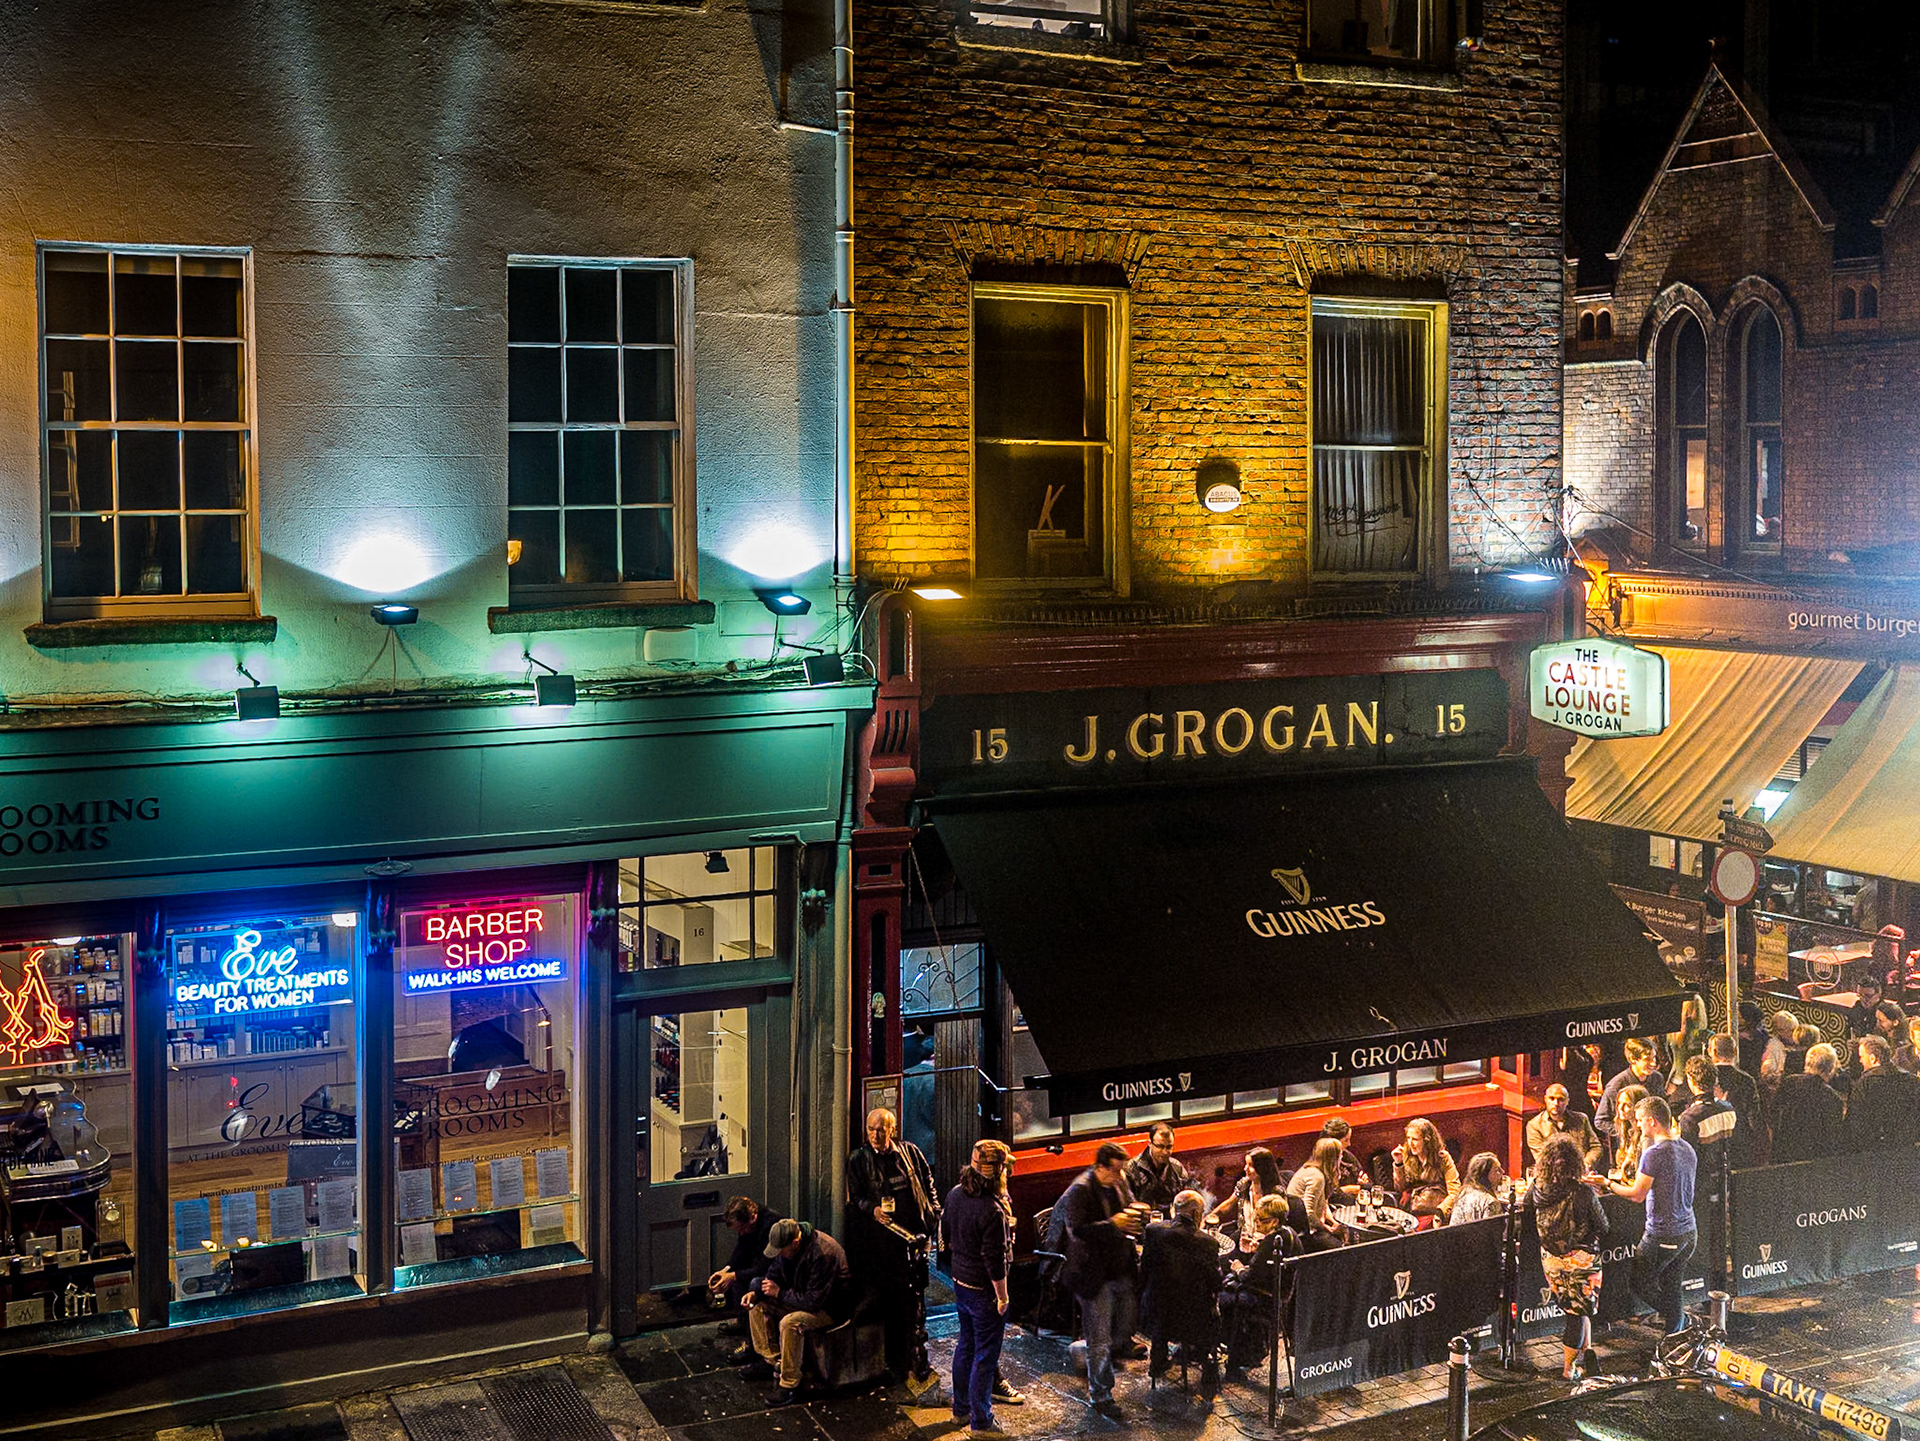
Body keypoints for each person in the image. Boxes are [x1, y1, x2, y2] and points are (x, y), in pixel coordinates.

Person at [846, 1108, 939, 1387]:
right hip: (883, 1244)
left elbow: (928, 1182)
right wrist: (873, 1209)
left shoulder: (910, 1152)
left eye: (881, 1129)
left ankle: (916, 1360)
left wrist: (933, 1211)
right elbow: (856, 1197)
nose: (875, 1135)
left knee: (916, 1303)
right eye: (871, 1129)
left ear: (893, 1130)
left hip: (914, 1238)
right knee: (890, 1303)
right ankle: (896, 1361)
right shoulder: (859, 1159)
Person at [1593, 1095, 1696, 1336]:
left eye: (1639, 1120)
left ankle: (1678, 1319)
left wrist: (1607, 1183)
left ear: (1651, 1121)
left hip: (1663, 1234)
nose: (1637, 1125)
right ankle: (1675, 1337)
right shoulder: (1687, 1147)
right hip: (1689, 1232)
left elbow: (1636, 1194)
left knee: (1639, 1282)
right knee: (1672, 1285)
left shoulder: (1655, 1153)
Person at [1060, 1141, 1145, 1421]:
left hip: (1118, 1269)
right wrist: (1115, 1224)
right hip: (1092, 1275)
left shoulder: (1117, 1183)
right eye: (1116, 1171)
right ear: (1100, 1167)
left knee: (1123, 1328)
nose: (1122, 1176)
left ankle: (1080, 1351)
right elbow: (1077, 1231)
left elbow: (1128, 1203)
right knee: (1100, 1338)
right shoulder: (1080, 1190)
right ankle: (1102, 1395)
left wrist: (1136, 1210)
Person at [743, 1218, 855, 1404]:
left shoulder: (823, 1253)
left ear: (795, 1242)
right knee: (758, 1307)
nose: (780, 1254)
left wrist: (779, 1293)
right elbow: (774, 1272)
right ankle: (773, 1361)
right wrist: (755, 1294)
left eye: (782, 1250)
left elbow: (813, 1301)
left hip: (828, 1308)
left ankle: (789, 1384)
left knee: (791, 1323)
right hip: (798, 1295)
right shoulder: (787, 1249)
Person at [943, 1140, 1013, 1437]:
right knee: (985, 1356)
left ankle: (960, 1409)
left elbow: (945, 1234)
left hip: (960, 1283)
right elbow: (994, 1261)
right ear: (996, 1172)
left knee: (966, 1345)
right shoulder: (992, 1211)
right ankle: (981, 1420)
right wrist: (1002, 1297)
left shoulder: (955, 1195)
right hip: (984, 1292)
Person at [1529, 1135, 1608, 1379]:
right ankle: (1568, 1369)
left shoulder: (1535, 1189)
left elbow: (1527, 1220)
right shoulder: (1583, 1192)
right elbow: (1603, 1226)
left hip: (1551, 1261)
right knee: (1576, 1314)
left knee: (1576, 1310)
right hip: (1582, 1260)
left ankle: (1588, 1352)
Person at [1139, 1190, 1224, 1398]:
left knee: (1164, 1298)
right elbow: (1215, 1283)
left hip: (1156, 1314)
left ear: (1173, 1210)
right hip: (1193, 1320)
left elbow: (1145, 1270)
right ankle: (1207, 1366)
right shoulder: (1207, 1243)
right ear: (1196, 1214)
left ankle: (1157, 1361)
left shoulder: (1153, 1231)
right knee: (1212, 1308)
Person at [1220, 1194, 1296, 1376]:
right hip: (1281, 1294)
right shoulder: (1289, 1235)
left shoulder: (1271, 1243)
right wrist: (1256, 1253)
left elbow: (1249, 1277)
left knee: (1220, 1298)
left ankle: (1236, 1353)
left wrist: (1238, 1267)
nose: (1257, 1223)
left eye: (1261, 1220)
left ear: (1274, 1221)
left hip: (1264, 1298)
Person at [710, 1195, 782, 1350]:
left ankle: (753, 1342)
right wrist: (726, 1270)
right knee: (737, 1276)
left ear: (753, 1217)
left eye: (742, 1229)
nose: (741, 1233)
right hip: (760, 1265)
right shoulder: (747, 1225)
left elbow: (766, 1266)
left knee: (754, 1283)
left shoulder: (771, 1226)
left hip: (775, 1272)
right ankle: (743, 1322)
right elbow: (741, 1249)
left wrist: (733, 1276)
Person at [1772, 1044, 1847, 1163]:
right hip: (1814, 1160)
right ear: (1831, 1067)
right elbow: (1832, 1138)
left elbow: (1773, 1114)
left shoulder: (1789, 1082)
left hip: (1784, 1153)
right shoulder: (1832, 1098)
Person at [1849, 1035, 1920, 1151]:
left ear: (1872, 1058)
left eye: (1862, 1056)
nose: (1860, 1060)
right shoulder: (1911, 1080)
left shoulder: (1865, 1083)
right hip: (1908, 1148)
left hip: (1876, 1150)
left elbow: (1856, 1120)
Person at [1676, 1056, 1735, 1194]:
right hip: (1724, 1179)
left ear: (1690, 1080)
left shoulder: (1690, 1117)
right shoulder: (1728, 1108)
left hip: (1700, 1184)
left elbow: (1687, 1157)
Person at [1709, 1034, 1764, 1167]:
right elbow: (1753, 1115)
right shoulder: (1747, 1080)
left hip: (1712, 1137)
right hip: (1740, 1138)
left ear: (1712, 1052)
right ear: (1735, 1051)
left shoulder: (1706, 1077)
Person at [1284, 1138, 1349, 1249]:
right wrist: (1326, 1228)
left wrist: (1333, 1222)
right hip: (1307, 1232)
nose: (1342, 1157)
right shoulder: (1316, 1177)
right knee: (1343, 1250)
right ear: (1333, 1158)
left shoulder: (1314, 1170)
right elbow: (1308, 1213)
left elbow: (1323, 1203)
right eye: (1340, 1154)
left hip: (1315, 1226)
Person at [1391, 1118, 1460, 1222]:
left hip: (1436, 1210)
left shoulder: (1442, 1158)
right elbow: (1400, 1187)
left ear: (1427, 1140)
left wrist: (1440, 1211)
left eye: (1415, 1139)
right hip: (1414, 1209)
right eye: (1408, 1138)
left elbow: (1455, 1191)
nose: (1410, 1144)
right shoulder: (1407, 1155)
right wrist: (1398, 1163)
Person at [1595, 1038, 1662, 1143]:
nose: (1653, 1064)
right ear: (1632, 1059)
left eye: (1653, 1058)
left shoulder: (1657, 1078)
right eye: (1647, 1059)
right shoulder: (1616, 1085)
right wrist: (1627, 1133)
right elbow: (1601, 1121)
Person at [1526, 1083, 1603, 1173]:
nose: (1556, 1103)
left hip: (1583, 1173)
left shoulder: (1581, 1119)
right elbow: (1542, 1159)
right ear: (1545, 1099)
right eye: (1552, 1098)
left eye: (1561, 1099)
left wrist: (1586, 1164)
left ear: (1567, 1101)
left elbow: (1596, 1147)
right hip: (1552, 1176)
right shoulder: (1534, 1125)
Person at [1206, 1147, 1284, 1232]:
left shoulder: (1276, 1192)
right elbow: (1228, 1205)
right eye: (1246, 1164)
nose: (1245, 1169)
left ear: (1262, 1168)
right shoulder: (1244, 1184)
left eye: (1250, 1165)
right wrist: (1207, 1218)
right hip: (1245, 1234)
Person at [1125, 1122, 1194, 1211]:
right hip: (1142, 1221)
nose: (1165, 1152)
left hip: (1171, 1221)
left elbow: (1189, 1199)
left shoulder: (1177, 1169)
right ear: (1150, 1144)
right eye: (1160, 1147)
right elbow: (1127, 1204)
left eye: (1169, 1147)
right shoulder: (1132, 1169)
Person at [1449, 1152, 1507, 1225]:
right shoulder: (1491, 1202)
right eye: (1497, 1170)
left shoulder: (1462, 1195)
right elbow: (1493, 1233)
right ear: (1484, 1175)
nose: (1503, 1171)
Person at [1607, 1084, 1650, 1183]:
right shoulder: (1625, 1127)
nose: (1620, 1108)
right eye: (1619, 1103)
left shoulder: (1647, 1135)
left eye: (1627, 1105)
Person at [1318, 1117, 1365, 1198]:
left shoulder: (1347, 1156)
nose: (1349, 1144)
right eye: (1346, 1140)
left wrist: (1362, 1182)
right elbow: (1328, 1195)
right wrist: (1349, 1189)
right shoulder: (1320, 1163)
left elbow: (1365, 1180)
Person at [1759, 1010, 1798, 1092]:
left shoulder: (1796, 1046)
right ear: (1779, 1031)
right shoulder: (1773, 1046)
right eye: (1790, 1030)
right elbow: (1767, 1074)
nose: (1793, 1034)